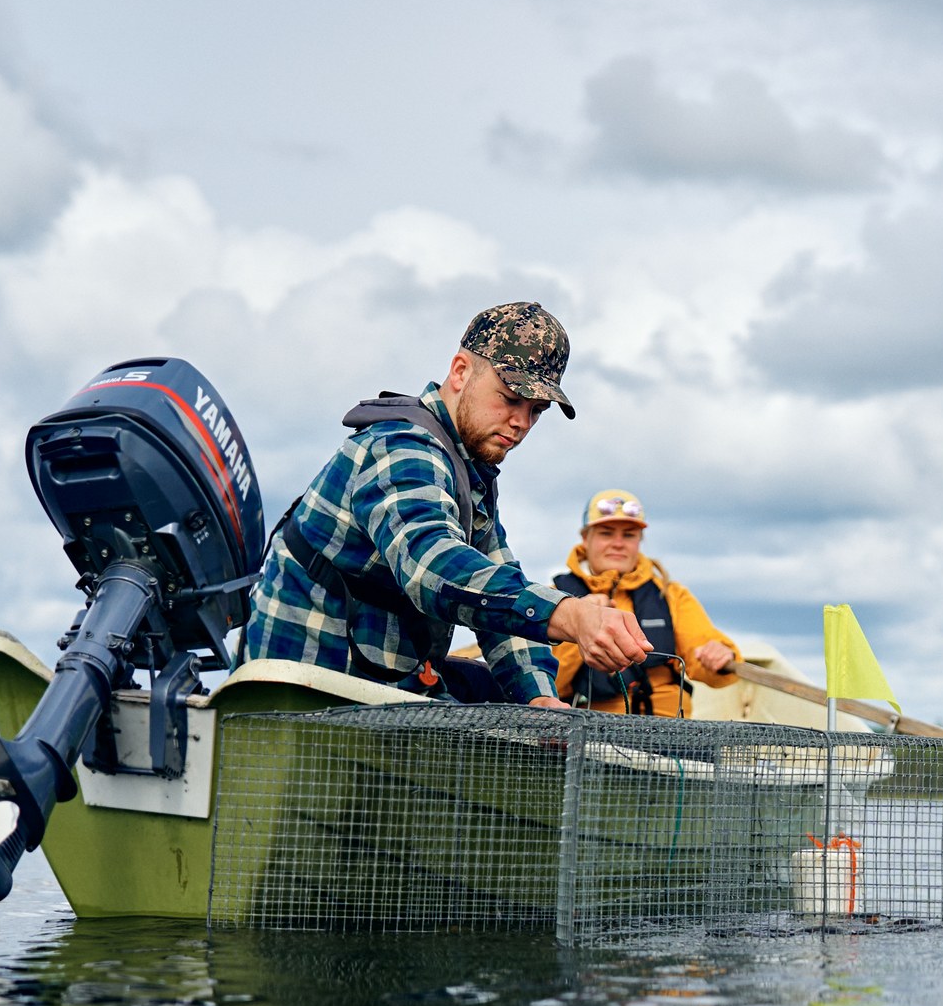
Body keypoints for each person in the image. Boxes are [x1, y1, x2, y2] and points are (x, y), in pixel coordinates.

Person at [240, 302, 650, 705]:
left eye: (536, 410)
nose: (522, 423)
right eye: (510, 398)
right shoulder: (402, 447)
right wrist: (572, 615)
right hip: (304, 697)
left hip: (376, 691)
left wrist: (539, 699)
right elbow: (432, 567)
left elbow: (497, 582)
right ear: (460, 371)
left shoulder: (469, 471)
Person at [550, 489, 741, 717]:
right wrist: (580, 619)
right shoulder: (555, 597)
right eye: (606, 533)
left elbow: (703, 654)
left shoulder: (671, 594)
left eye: (629, 535)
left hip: (668, 733)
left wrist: (722, 656)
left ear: (639, 540)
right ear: (585, 538)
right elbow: (549, 682)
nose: (618, 543)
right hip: (592, 729)